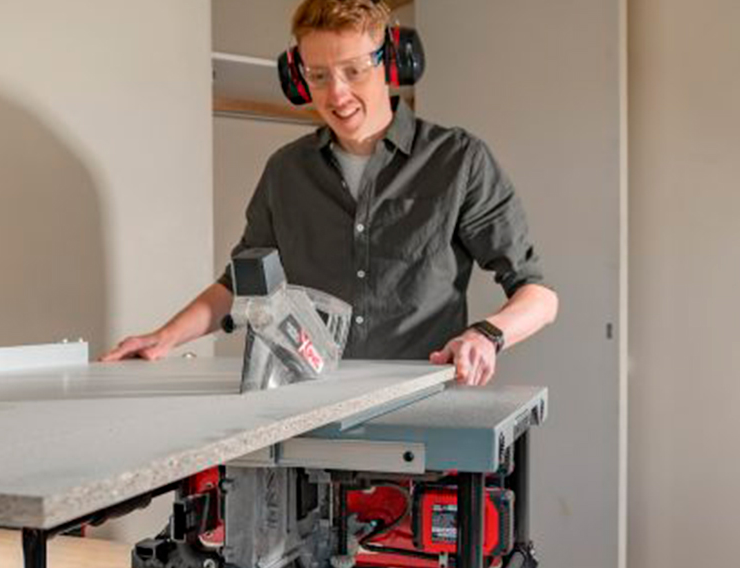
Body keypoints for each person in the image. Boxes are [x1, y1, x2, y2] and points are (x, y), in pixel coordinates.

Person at [102, 0, 558, 386]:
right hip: (307, 407)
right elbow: (241, 283)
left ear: (392, 63)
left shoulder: (458, 160)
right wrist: (165, 337)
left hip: (420, 405)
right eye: (318, 76)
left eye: (354, 71)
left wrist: (487, 335)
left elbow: (538, 296)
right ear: (298, 80)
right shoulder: (286, 171)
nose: (337, 94)